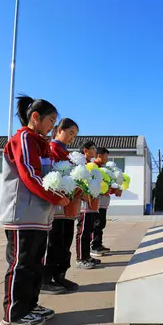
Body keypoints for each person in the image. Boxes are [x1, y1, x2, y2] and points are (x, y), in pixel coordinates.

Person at [0, 95, 70, 325]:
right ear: (35, 117)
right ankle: (13, 314)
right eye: (51, 120)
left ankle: (30, 305)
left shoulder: (40, 142)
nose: (52, 126)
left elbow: (51, 175)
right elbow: (30, 174)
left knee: (36, 263)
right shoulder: (24, 138)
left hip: (39, 216)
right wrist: (55, 197)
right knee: (22, 263)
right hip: (22, 214)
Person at [41, 118, 81, 295]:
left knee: (66, 242)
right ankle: (46, 279)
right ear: (59, 130)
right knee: (54, 243)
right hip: (57, 205)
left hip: (69, 205)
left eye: (75, 135)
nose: (72, 137)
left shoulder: (68, 154)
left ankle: (60, 275)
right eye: (70, 133)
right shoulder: (51, 150)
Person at [75, 140, 101, 269]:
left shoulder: (91, 165)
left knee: (89, 231)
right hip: (83, 206)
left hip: (92, 204)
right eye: (93, 148)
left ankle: (87, 256)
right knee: (83, 232)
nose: (95, 151)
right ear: (85, 150)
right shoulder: (80, 165)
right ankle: (80, 258)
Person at [91, 147, 112, 257]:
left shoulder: (103, 169)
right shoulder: (93, 168)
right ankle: (94, 246)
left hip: (103, 201)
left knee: (101, 222)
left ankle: (99, 244)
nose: (107, 159)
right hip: (96, 201)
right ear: (99, 155)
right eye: (106, 156)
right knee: (97, 223)